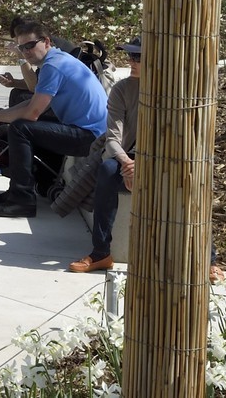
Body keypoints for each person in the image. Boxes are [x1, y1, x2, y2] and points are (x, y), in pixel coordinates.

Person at [0, 18, 108, 219]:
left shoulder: (53, 66)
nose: (26, 52)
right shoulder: (57, 60)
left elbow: (32, 113)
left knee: (20, 128)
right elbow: (33, 102)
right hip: (86, 131)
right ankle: (24, 190)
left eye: (30, 45)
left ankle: (22, 200)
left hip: (91, 137)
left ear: (46, 42)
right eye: (21, 48)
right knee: (19, 126)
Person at [69, 37, 141, 274]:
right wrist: (127, 163)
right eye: (130, 56)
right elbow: (112, 138)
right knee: (108, 170)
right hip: (128, 157)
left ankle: (209, 258)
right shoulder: (123, 89)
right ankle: (101, 252)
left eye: (138, 57)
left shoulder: (172, 92)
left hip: (166, 161)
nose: (131, 61)